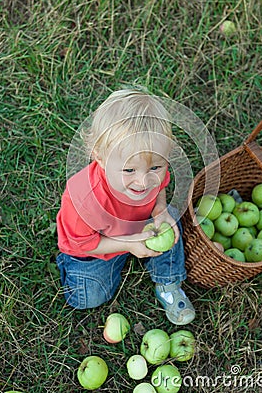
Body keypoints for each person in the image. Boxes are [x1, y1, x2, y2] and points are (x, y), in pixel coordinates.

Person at [56, 87, 195, 325]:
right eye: (129, 170)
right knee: (87, 298)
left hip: (138, 227)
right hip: (97, 247)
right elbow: (84, 243)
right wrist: (128, 245)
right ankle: (72, 268)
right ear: (100, 158)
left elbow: (160, 186)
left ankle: (168, 281)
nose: (143, 181)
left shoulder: (151, 170)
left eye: (155, 168)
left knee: (170, 219)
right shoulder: (83, 199)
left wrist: (160, 210)